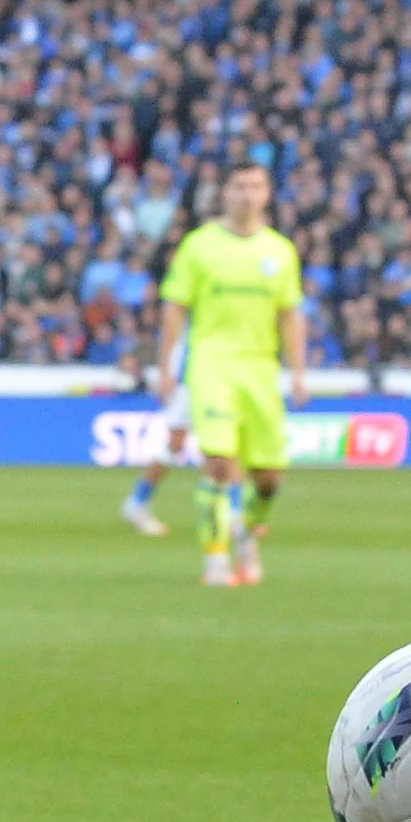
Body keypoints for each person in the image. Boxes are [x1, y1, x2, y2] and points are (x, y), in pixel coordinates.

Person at [153, 160, 306, 586]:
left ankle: (245, 529)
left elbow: (291, 315)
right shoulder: (199, 246)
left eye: (255, 186)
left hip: (260, 366)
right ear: (225, 194)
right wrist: (165, 368)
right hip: (211, 364)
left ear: (267, 194)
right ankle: (216, 559)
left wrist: (299, 373)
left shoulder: (279, 251)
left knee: (270, 477)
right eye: (239, 186)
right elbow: (175, 309)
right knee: (219, 463)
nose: (247, 194)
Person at [117, 320, 195, 535]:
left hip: (214, 380)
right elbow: (173, 334)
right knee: (175, 444)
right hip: (190, 382)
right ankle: (137, 502)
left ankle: (238, 511)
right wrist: (167, 375)